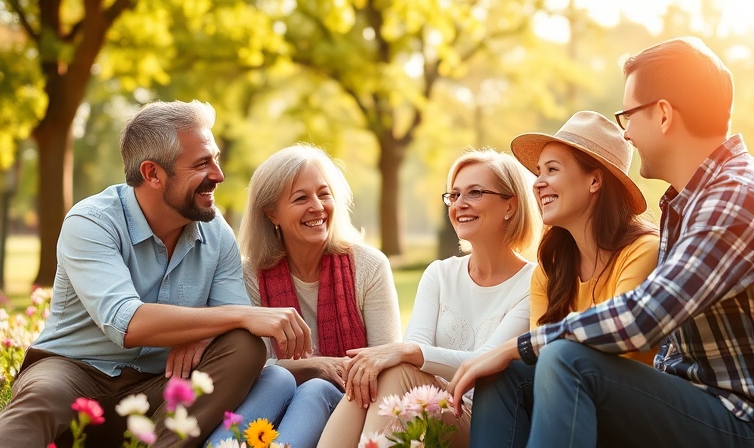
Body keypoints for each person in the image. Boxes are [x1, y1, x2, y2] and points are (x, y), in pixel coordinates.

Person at [450, 36, 754, 448]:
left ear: (663, 114)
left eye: (628, 115)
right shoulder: (688, 203)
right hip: (698, 409)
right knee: (509, 375)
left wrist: (517, 346)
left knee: (561, 357)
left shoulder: (738, 197)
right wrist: (511, 358)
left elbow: (645, 318)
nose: (626, 134)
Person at [0, 100, 311, 448]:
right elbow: (127, 323)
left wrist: (207, 331)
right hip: (74, 373)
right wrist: (238, 315)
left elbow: (235, 332)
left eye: (216, 158)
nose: (219, 175)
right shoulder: (91, 222)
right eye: (202, 163)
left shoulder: (217, 233)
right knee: (41, 397)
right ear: (152, 174)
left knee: (245, 345)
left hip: (159, 384)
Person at [317, 148, 543, 448]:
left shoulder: (534, 282)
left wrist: (406, 352)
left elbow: (485, 361)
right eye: (454, 195)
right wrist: (404, 354)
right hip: (430, 403)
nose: (459, 204)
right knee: (384, 374)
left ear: (510, 206)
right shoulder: (440, 274)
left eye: (474, 193)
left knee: (396, 370)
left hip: (484, 420)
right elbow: (413, 357)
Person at [466, 110, 660, 447]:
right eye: (538, 172)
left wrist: (512, 349)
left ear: (594, 181)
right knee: (501, 376)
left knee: (551, 360)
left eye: (552, 170)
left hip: (638, 417)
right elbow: (542, 367)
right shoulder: (551, 270)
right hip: (569, 407)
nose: (537, 183)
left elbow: (620, 349)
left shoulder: (643, 251)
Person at [203, 144, 401, 448]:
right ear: (272, 215)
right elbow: (249, 370)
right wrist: (316, 365)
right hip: (272, 405)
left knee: (315, 390)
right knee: (279, 381)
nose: (318, 207)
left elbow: (385, 361)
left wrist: (318, 374)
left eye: (324, 194)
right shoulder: (250, 276)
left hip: (350, 405)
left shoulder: (369, 265)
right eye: (301, 198)